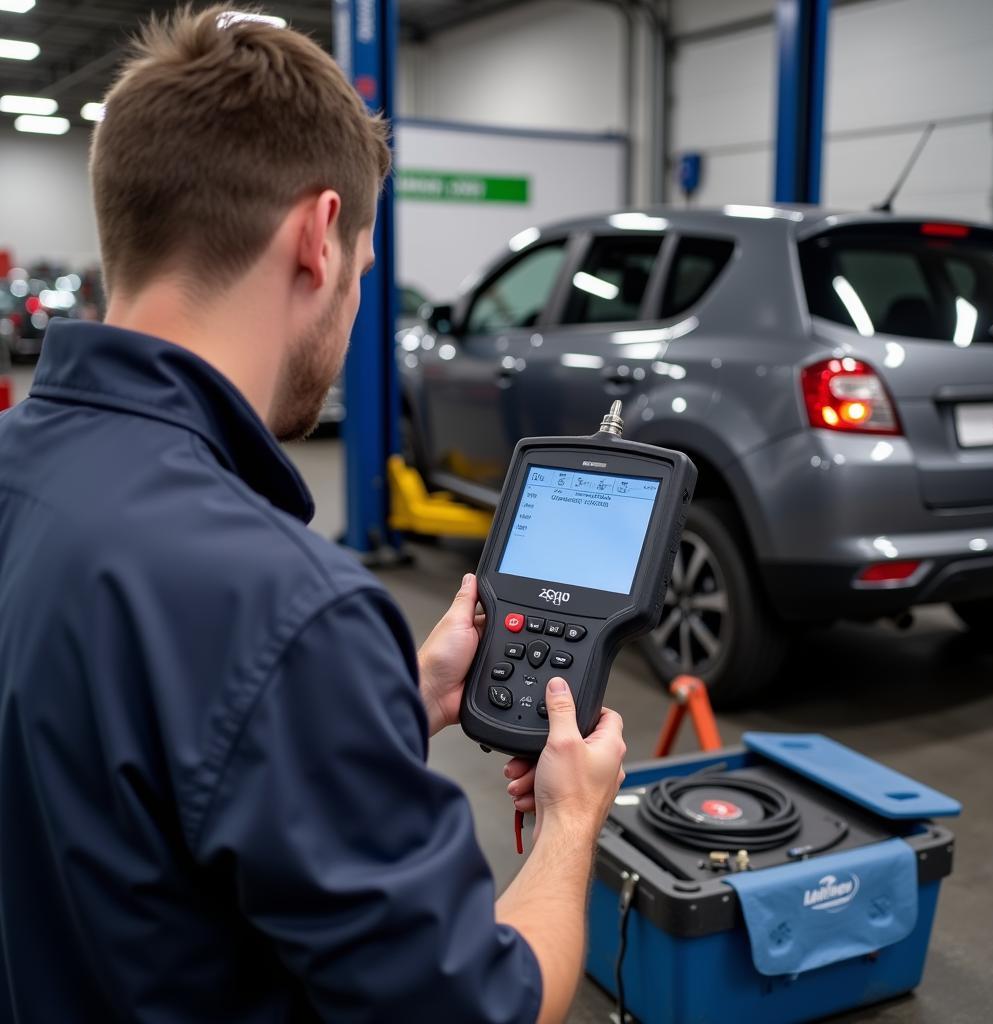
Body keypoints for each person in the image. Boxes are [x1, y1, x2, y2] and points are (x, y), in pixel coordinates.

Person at [0, 7, 627, 1024]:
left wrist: (396, 694)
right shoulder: (288, 605)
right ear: (317, 237)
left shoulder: (22, 471)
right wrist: (570, 820)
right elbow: (480, 1010)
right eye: (363, 274)